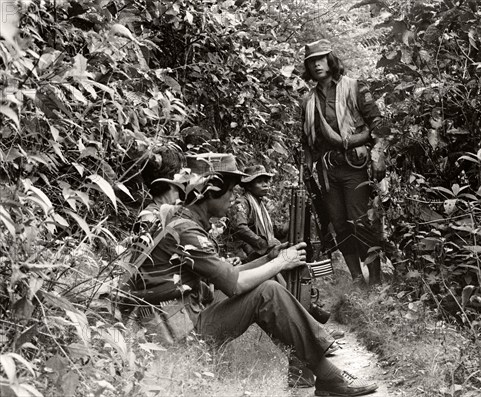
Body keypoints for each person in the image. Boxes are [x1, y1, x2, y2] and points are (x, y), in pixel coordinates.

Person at [132, 153, 378, 396]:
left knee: (267, 281)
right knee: (267, 293)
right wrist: (281, 262)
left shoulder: (184, 222)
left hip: (186, 322)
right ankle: (329, 377)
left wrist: (269, 259)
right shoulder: (186, 230)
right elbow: (235, 285)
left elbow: (227, 275)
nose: (232, 198)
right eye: (229, 191)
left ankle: (313, 370)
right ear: (211, 191)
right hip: (180, 339)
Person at [299, 39, 387, 285]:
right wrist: (306, 168)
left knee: (361, 221)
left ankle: (376, 280)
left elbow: (377, 124)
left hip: (355, 168)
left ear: (330, 60)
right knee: (339, 224)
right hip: (327, 171)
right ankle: (357, 278)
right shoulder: (307, 101)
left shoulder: (354, 86)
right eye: (311, 62)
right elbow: (306, 140)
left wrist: (378, 155)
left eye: (321, 59)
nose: (316, 65)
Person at [228, 164, 285, 262]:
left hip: (255, 251)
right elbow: (240, 227)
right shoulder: (242, 202)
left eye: (266, 181)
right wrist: (264, 244)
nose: (265, 185)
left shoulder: (261, 205)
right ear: (249, 186)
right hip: (241, 253)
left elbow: (275, 229)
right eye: (259, 182)